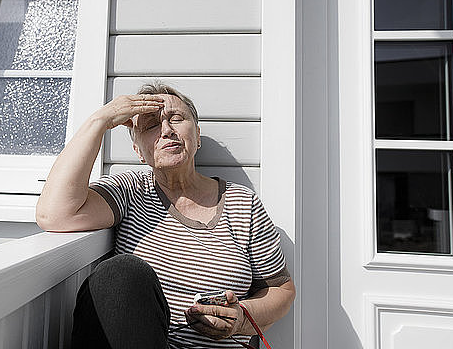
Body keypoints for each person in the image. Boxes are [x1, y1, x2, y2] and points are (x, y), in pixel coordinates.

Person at [36, 82, 296, 348]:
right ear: (138, 152)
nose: (167, 130)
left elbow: (280, 290)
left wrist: (240, 318)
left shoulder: (243, 203)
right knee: (119, 273)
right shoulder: (130, 190)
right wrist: (99, 120)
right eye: (150, 126)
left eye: (176, 119)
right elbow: (54, 214)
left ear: (197, 135)